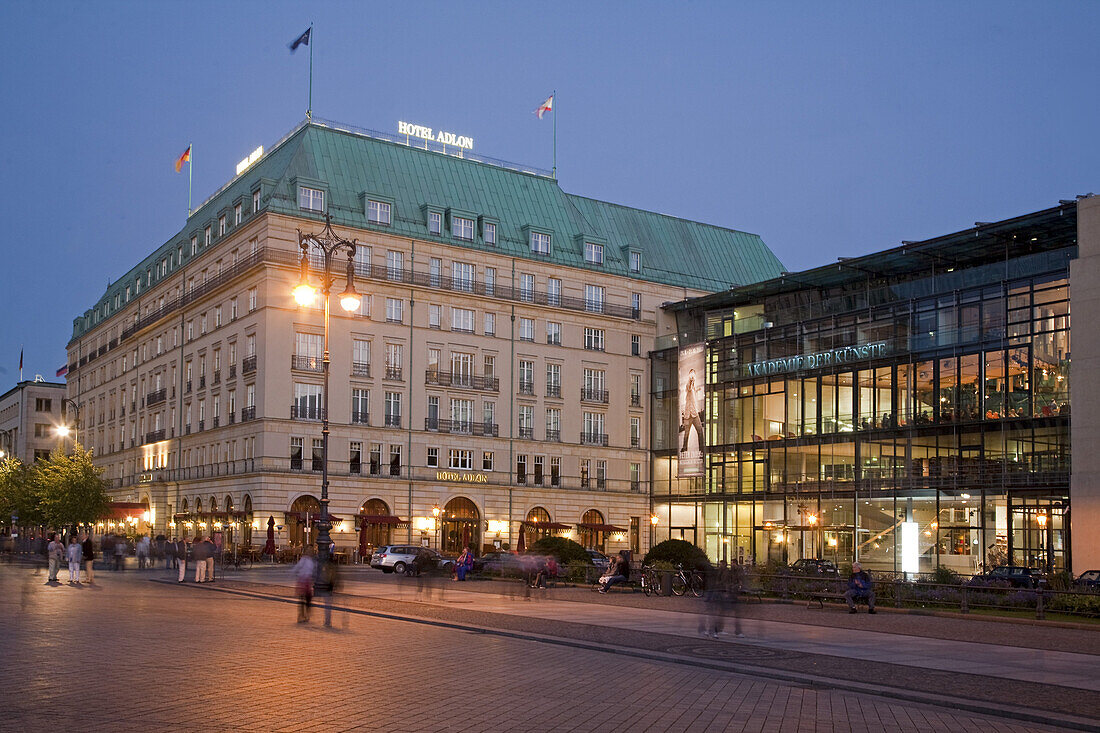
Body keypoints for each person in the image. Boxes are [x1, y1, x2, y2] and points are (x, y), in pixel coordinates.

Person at [680, 368, 704, 452]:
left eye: (694, 374)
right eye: (692, 374)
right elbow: (689, 388)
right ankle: (684, 448)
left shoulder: (694, 388)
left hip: (694, 413)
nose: (693, 376)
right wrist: (690, 380)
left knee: (700, 431)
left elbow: (692, 391)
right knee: (686, 433)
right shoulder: (688, 385)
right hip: (688, 414)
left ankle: (701, 449)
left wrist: (697, 390)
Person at [315, 552, 340, 627]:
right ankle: (328, 621)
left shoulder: (326, 567)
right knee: (328, 605)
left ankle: (327, 621)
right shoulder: (333, 567)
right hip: (330, 586)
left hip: (327, 586)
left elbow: (324, 576)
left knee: (327, 605)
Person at [293, 549, 317, 623]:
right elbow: (313, 571)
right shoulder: (309, 561)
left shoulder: (305, 560)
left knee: (303, 600)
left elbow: (297, 567)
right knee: (306, 600)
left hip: (303, 581)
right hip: (306, 582)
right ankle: (304, 615)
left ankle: (302, 615)